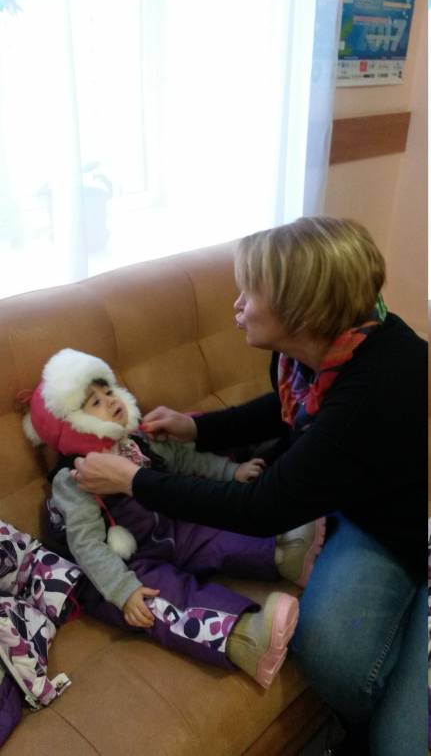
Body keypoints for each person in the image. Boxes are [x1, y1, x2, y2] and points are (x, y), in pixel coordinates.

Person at [72, 217, 428, 756]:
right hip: (368, 511)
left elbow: (261, 510)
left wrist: (135, 479)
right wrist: (199, 428)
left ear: (301, 310)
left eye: (249, 294)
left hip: (413, 530)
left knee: (400, 744)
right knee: (332, 656)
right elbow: (287, 413)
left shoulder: (380, 384)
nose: (236, 305)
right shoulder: (313, 354)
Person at [23, 347, 325, 690]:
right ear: (71, 424)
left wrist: (231, 471)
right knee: (159, 598)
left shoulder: (135, 439)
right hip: (125, 563)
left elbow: (185, 460)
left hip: (170, 527)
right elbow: (86, 543)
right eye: (94, 402)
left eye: (108, 391)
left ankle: (287, 550)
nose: (109, 401)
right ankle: (244, 636)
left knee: (212, 529)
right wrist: (123, 590)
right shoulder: (73, 477)